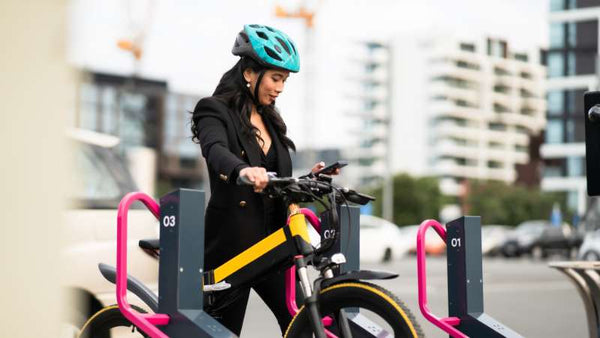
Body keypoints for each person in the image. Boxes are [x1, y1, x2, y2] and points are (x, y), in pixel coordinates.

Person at [190, 24, 338, 335]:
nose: (281, 87)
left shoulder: (271, 120)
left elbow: (276, 181)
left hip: (273, 246)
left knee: (306, 325)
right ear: (249, 73)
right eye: (275, 78)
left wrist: (310, 178)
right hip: (232, 248)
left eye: (284, 80)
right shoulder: (213, 110)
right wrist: (242, 171)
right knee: (223, 333)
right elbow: (215, 150)